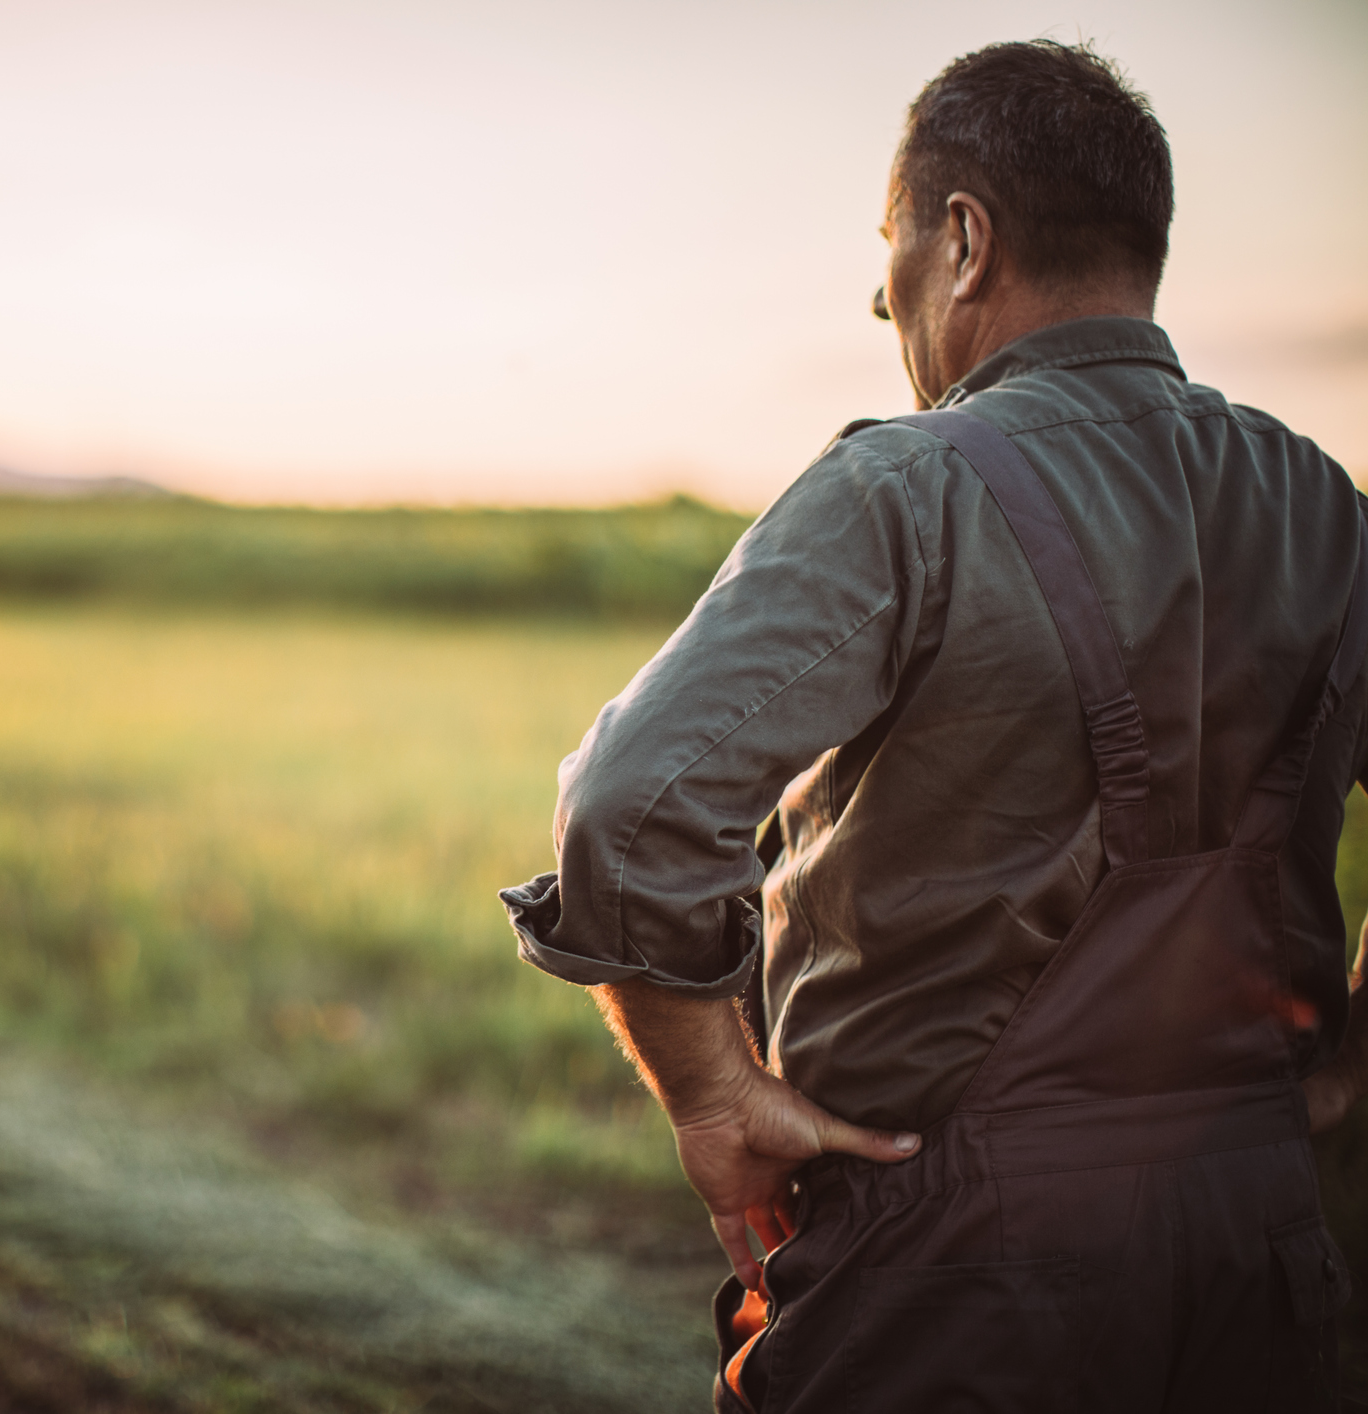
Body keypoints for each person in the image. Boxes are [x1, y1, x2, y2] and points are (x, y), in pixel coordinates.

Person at [499, 39, 1367, 1411]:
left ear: (961, 242)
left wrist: (712, 1094)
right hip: (1255, 1244)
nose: (875, 289)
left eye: (888, 242)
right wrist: (1340, 1065)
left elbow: (630, 803)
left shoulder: (904, 489)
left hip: (953, 1271)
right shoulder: (1320, 503)